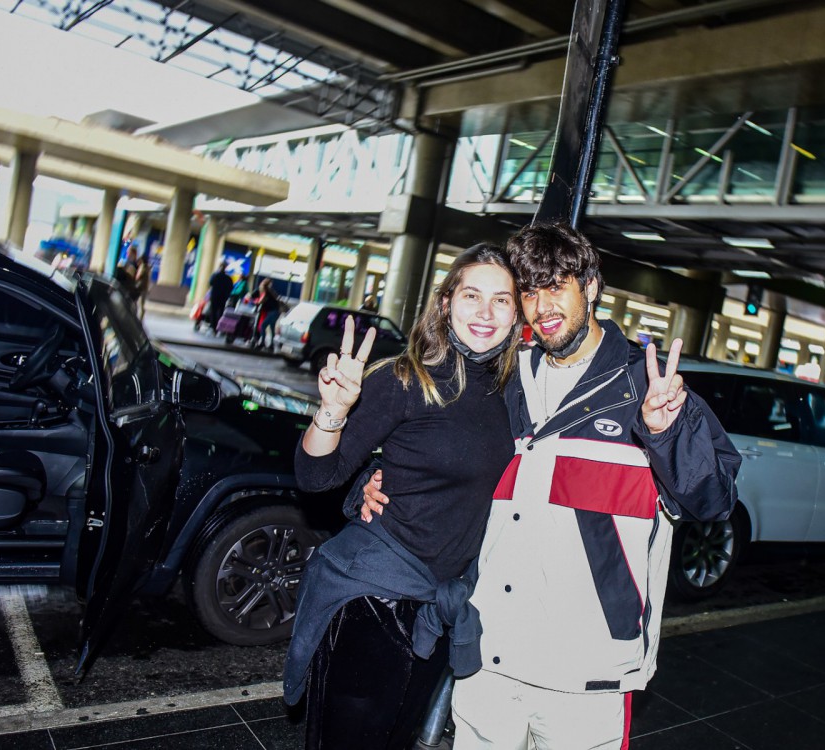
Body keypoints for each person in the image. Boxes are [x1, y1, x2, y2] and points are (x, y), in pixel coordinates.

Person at [364, 222, 741, 748]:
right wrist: (369, 481)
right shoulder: (504, 379)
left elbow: (714, 499)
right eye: (529, 292)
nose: (542, 307)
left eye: (557, 287)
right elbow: (432, 453)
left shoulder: (646, 388)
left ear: (592, 286)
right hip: (488, 658)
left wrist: (667, 434)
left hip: (587, 674)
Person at [284, 244, 523, 750]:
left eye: (501, 300)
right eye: (472, 295)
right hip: (375, 601)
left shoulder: (513, 393)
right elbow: (315, 475)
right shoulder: (405, 378)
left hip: (437, 606)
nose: (486, 312)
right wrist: (332, 413)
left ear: (515, 313)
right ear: (446, 303)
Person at [252, 278, 285, 350]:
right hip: (275, 311)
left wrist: (256, 302)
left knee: (263, 325)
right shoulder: (270, 291)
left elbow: (260, 299)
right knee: (272, 327)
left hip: (273, 312)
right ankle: (271, 345)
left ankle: (262, 343)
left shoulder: (265, 291)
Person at [206, 261, 234, 329]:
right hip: (223, 297)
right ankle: (219, 326)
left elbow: (210, 283)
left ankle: (213, 326)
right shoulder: (228, 278)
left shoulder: (215, 275)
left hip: (214, 296)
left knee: (213, 311)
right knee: (221, 311)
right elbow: (231, 287)